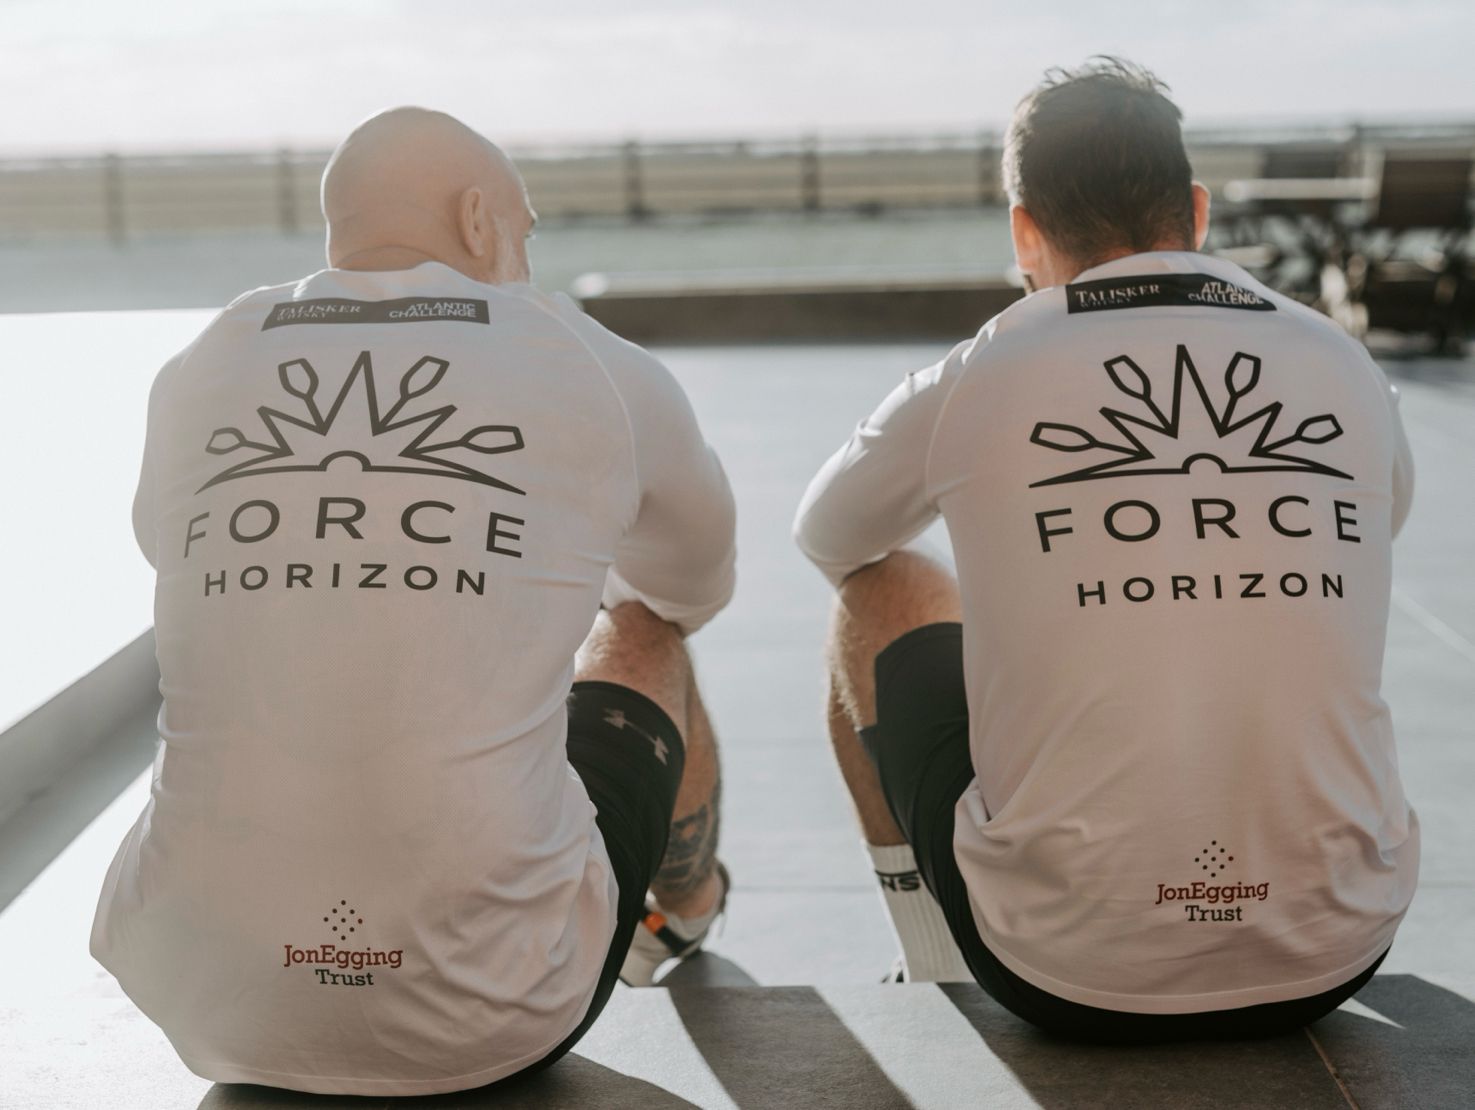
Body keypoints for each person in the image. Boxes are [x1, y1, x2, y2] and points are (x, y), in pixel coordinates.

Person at [91, 107, 735, 1095]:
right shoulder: (583, 358)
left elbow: (161, 550)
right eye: (523, 231)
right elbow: (691, 584)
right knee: (643, 628)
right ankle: (682, 909)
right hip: (491, 1017)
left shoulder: (204, 360)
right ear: (478, 220)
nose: (525, 259)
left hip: (204, 998)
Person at [795, 58, 1417, 1039]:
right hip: (1332, 947)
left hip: (1064, 970)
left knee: (880, 588)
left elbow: (829, 536)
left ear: (1023, 230)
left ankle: (933, 961)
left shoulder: (982, 369)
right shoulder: (1338, 358)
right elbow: (1381, 522)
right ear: (1195, 211)